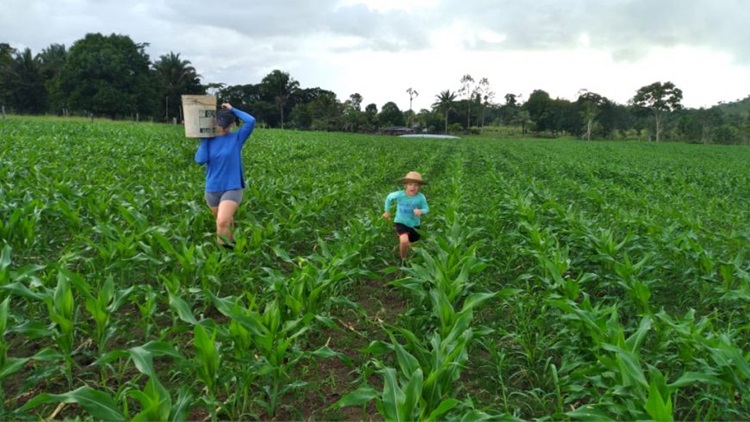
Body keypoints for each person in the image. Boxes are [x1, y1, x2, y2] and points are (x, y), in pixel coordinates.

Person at [194, 102, 256, 249]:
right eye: (220, 124)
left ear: (232, 124)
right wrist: (204, 140)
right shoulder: (209, 140)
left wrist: (232, 109)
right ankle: (233, 250)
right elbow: (200, 160)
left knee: (222, 222)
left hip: (232, 187)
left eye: (226, 125)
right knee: (225, 223)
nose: (223, 128)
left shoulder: (237, 138)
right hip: (212, 189)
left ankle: (222, 256)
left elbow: (251, 120)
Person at [382, 171, 429, 261]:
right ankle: (403, 260)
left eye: (416, 185)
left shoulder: (420, 197)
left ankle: (404, 246)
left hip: (414, 224)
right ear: (405, 185)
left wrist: (421, 211)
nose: (413, 187)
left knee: (412, 244)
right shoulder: (399, 194)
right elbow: (389, 197)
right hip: (400, 222)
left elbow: (426, 209)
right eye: (410, 184)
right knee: (404, 240)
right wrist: (387, 211)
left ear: (419, 187)